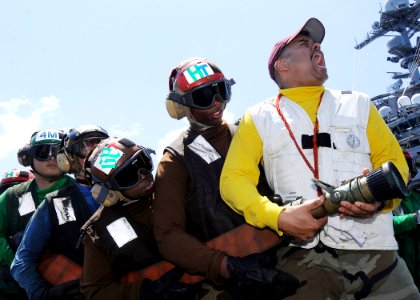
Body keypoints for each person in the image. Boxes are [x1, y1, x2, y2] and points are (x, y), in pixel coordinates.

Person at [220, 17, 420, 299]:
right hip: (304, 261)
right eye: (305, 43)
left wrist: (380, 200)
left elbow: (395, 162)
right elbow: (233, 180)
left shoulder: (360, 104)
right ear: (282, 65)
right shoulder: (258, 118)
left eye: (317, 43)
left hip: (378, 256)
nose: (316, 46)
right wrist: (277, 216)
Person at [152, 57, 301, 300]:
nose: (217, 103)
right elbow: (168, 235)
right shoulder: (175, 161)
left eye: (220, 91)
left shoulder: (249, 132)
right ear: (181, 107)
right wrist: (227, 268)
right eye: (203, 97)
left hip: (288, 253)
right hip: (230, 279)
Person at [80, 136, 200, 299]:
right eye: (128, 175)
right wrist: (147, 292)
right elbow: (95, 292)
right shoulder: (96, 232)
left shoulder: (177, 188)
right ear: (108, 192)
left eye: (143, 163)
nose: (143, 175)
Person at [11, 125, 109, 300]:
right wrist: (42, 294)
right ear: (67, 159)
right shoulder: (54, 203)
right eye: (85, 147)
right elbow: (21, 262)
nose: (95, 153)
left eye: (102, 146)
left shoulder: (132, 190)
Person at [0, 129, 65, 300]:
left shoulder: (84, 194)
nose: (52, 157)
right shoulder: (11, 196)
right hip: (14, 288)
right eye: (44, 151)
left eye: (58, 152)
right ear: (29, 157)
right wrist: (15, 259)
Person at [393, 151, 420, 289]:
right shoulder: (381, 202)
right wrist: (414, 219)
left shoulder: (416, 196)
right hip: (399, 271)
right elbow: (385, 225)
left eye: (405, 168)